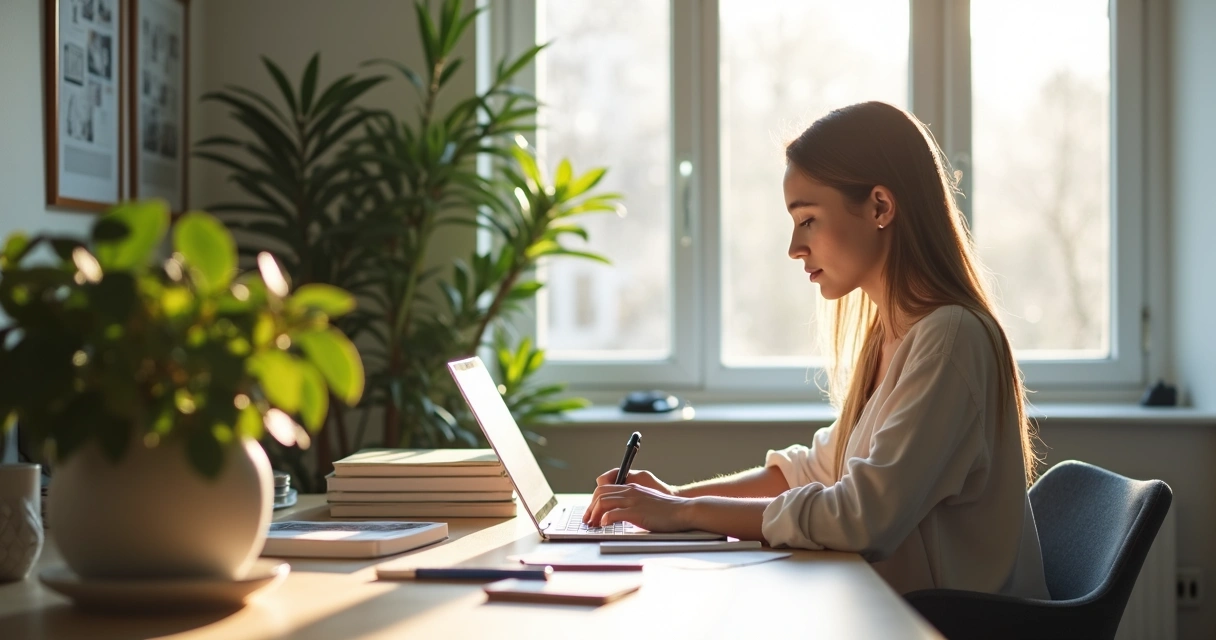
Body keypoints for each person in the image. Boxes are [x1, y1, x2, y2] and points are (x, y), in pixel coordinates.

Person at [583, 101, 1050, 598]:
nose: (794, 247)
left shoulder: (951, 338)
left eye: (807, 220)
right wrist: (674, 497)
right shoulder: (892, 334)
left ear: (879, 207)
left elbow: (860, 517)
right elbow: (818, 469)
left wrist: (685, 514)